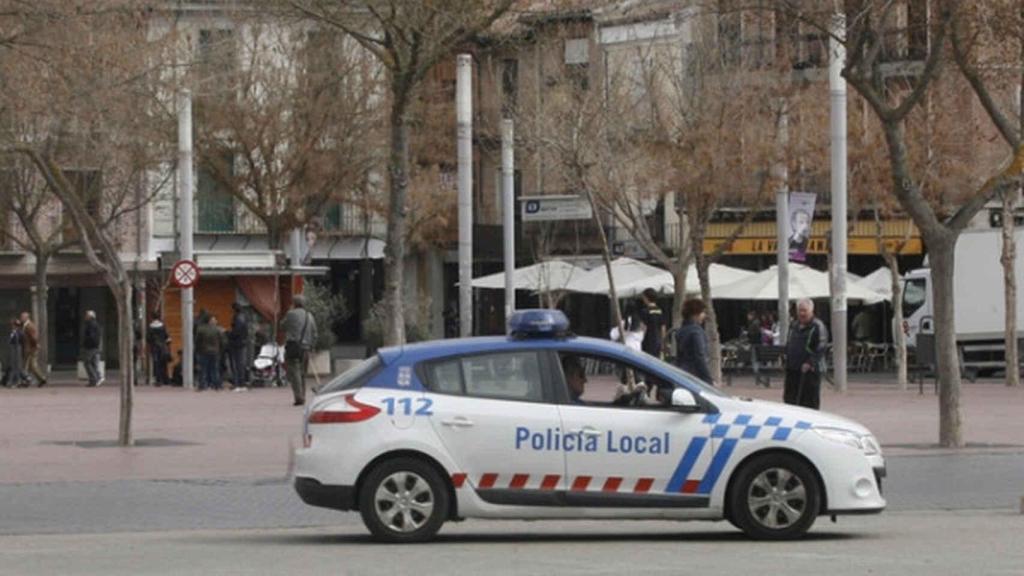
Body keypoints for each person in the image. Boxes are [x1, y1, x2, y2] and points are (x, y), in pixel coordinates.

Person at [784, 299, 829, 409]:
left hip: (809, 371)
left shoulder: (817, 326)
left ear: (811, 311)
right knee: (790, 399)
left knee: (808, 401)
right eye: (800, 310)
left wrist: (810, 362)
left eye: (805, 311)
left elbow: (821, 346)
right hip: (792, 368)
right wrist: (785, 356)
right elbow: (789, 342)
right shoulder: (794, 325)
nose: (802, 313)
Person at [282, 295, 317, 406]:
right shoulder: (309, 316)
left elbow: (282, 326)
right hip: (306, 348)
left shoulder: (291, 314)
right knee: (302, 373)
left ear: (294, 303)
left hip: (293, 346)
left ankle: (299, 397)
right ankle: (303, 395)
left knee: (294, 371)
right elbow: (315, 333)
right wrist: (312, 346)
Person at [676, 299, 713, 385]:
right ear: (695, 314)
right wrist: (708, 379)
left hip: (683, 372)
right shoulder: (696, 331)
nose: (704, 315)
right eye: (702, 312)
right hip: (696, 374)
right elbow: (700, 356)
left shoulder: (681, 330)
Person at [195, 315, 222, 391]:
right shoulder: (217, 329)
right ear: (210, 321)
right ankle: (217, 385)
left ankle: (202, 385)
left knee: (203, 369)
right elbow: (222, 341)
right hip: (215, 352)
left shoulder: (200, 329)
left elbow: (197, 341)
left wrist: (197, 350)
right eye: (214, 320)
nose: (215, 321)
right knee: (215, 369)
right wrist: (220, 350)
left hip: (203, 351)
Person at [19, 311, 46, 387]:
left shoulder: (29, 326)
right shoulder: (26, 325)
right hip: (29, 348)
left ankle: (40, 379)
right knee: (28, 366)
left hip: (31, 348)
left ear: (26, 317)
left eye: (22, 317)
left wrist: (35, 345)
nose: (21, 318)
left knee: (31, 365)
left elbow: (33, 337)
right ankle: (31, 380)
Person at [638, 289, 665, 359]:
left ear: (647, 298)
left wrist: (640, 339)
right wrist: (663, 342)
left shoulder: (645, 311)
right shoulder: (660, 311)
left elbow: (643, 327)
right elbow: (663, 327)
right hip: (657, 341)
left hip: (648, 341)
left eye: (643, 297)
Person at [227, 303, 250, 389]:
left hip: (236, 343)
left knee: (237, 364)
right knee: (241, 363)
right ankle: (242, 382)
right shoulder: (244, 317)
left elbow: (237, 331)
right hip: (242, 342)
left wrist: (229, 334)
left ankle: (238, 383)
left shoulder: (238, 318)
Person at [147, 312, 171, 386]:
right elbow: (167, 336)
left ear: (152, 318)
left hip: (154, 347)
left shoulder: (150, 327)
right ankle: (165, 379)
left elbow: (148, 338)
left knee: (156, 363)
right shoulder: (162, 326)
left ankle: (158, 380)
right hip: (162, 347)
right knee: (163, 363)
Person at [81, 310, 103, 388]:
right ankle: (96, 378)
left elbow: (91, 336)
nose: (85, 317)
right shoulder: (96, 324)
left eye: (86, 315)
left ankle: (95, 378)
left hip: (91, 347)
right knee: (94, 363)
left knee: (87, 362)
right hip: (95, 346)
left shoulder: (90, 325)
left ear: (90, 317)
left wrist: (86, 343)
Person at [3, 319, 27, 388]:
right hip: (13, 350)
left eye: (14, 325)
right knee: (13, 367)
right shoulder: (12, 332)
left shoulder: (20, 333)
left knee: (17, 367)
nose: (13, 326)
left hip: (17, 350)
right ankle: (14, 381)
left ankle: (17, 381)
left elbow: (21, 342)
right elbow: (10, 341)